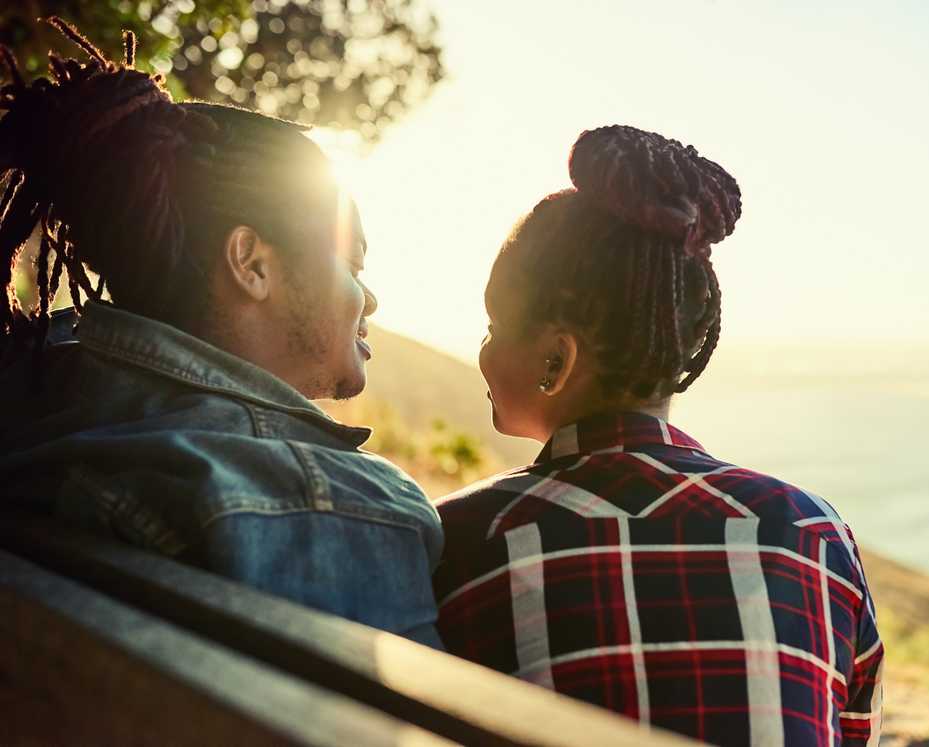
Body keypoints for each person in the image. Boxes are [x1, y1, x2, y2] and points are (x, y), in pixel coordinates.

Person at [433, 125, 884, 744]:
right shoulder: (813, 532)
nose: (482, 349)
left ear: (555, 358)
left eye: (493, 326)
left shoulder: (461, 539)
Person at [0, 19, 442, 647]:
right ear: (251, 264)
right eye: (352, 264)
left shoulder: (31, 390)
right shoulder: (330, 502)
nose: (369, 297)